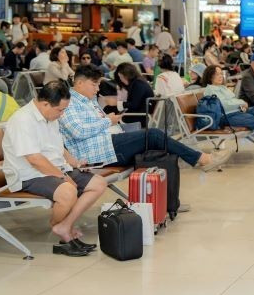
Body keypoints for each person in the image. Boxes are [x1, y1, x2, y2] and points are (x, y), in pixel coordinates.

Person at [59, 65, 227, 217]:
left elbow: (94, 125)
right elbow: (78, 132)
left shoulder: (88, 100)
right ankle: (201, 159)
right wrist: (108, 121)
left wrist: (111, 121)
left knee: (160, 151)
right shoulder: (70, 103)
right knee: (153, 135)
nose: (97, 90)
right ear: (79, 83)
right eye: (94, 85)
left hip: (110, 141)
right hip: (98, 151)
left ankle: (169, 204)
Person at [2, 80, 106, 257]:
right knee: (68, 191)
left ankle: (64, 226)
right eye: (60, 110)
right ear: (44, 103)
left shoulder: (49, 116)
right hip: (29, 175)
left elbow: (57, 147)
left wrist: (75, 163)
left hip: (54, 169)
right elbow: (34, 159)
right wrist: (64, 177)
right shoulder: (22, 120)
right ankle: (59, 227)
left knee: (99, 183)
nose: (62, 114)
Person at [114, 63, 153, 127]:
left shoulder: (138, 84)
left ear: (126, 75)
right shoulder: (138, 82)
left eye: (121, 77)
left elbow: (134, 105)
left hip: (141, 117)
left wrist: (117, 103)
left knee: (113, 116)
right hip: (142, 114)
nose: (120, 79)